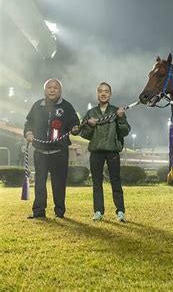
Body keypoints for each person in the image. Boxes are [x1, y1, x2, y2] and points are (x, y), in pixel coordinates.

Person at [24, 78, 80, 219]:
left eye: (56, 87)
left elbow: (75, 123)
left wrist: (75, 129)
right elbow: (29, 122)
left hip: (59, 152)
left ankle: (59, 212)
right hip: (40, 152)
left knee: (59, 183)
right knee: (40, 183)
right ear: (45, 90)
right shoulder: (37, 105)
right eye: (49, 87)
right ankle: (38, 212)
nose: (52, 89)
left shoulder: (67, 107)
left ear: (60, 91)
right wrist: (28, 132)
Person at [81, 82, 130, 223]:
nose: (103, 94)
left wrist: (120, 118)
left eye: (106, 91)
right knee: (97, 183)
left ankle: (120, 211)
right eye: (101, 91)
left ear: (110, 94)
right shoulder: (91, 113)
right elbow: (83, 134)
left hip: (112, 151)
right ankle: (98, 211)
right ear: (97, 94)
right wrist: (90, 126)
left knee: (116, 181)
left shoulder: (116, 111)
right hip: (96, 151)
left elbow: (125, 131)